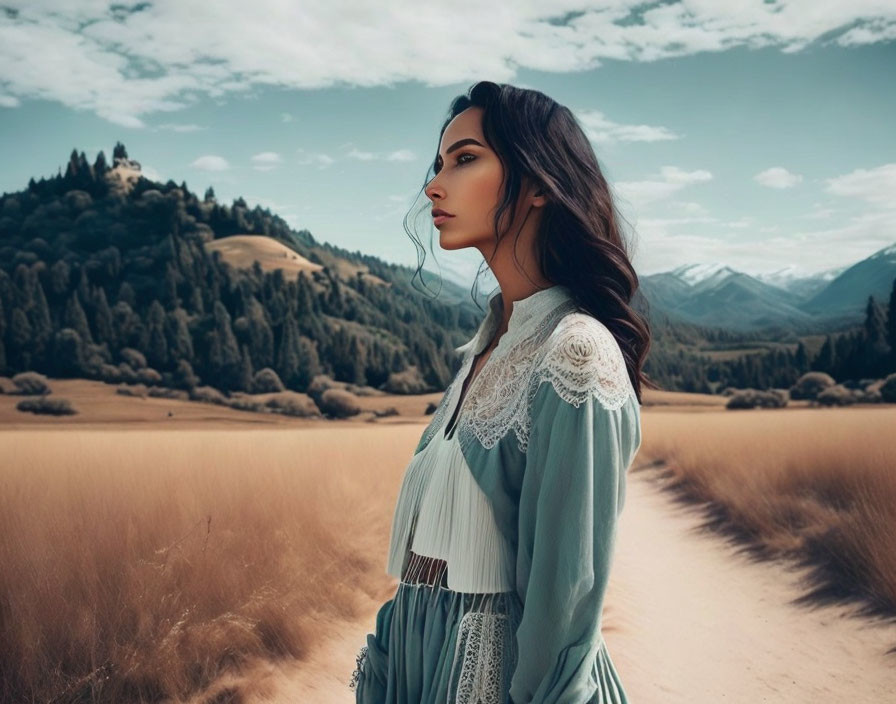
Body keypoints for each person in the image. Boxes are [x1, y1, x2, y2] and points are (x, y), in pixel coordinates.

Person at [349, 81, 654, 704]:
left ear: (539, 183)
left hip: (489, 679)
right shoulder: (485, 347)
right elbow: (417, 563)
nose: (434, 185)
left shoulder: (574, 351)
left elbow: (563, 600)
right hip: (416, 664)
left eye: (464, 159)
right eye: (438, 165)